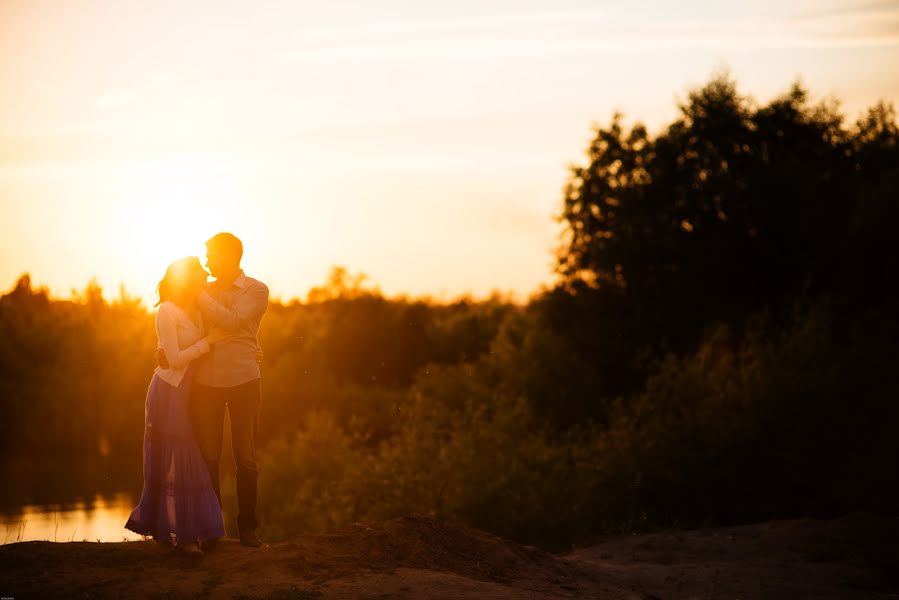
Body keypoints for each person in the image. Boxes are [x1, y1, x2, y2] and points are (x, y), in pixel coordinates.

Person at [158, 232, 269, 548]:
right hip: (205, 384)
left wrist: (200, 295)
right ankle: (211, 530)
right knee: (209, 458)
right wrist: (164, 350)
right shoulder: (200, 290)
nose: (206, 262)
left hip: (245, 381)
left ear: (231, 256)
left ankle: (247, 529)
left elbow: (232, 322)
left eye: (211, 256)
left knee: (245, 458)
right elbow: (182, 327)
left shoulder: (256, 289)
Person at [125, 257, 228, 556]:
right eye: (199, 275)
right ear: (185, 279)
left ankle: (176, 531)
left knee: (182, 455)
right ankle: (183, 537)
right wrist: (208, 342)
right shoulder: (166, 312)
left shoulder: (195, 308)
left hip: (188, 393)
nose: (204, 279)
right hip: (168, 390)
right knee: (176, 457)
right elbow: (174, 358)